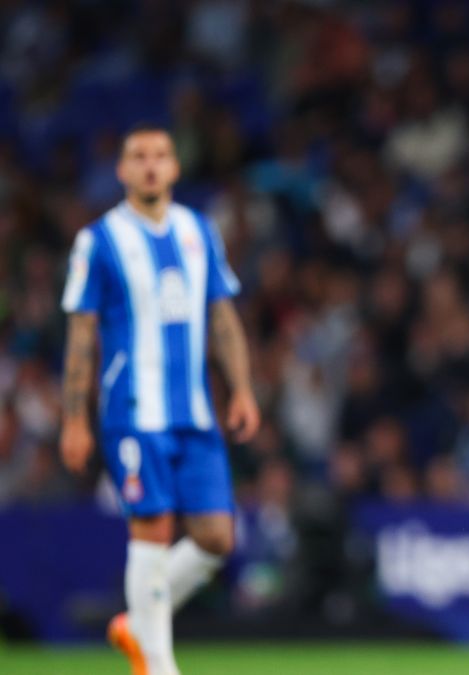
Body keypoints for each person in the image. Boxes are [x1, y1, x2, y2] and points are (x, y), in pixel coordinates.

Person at [59, 124, 260, 675]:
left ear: (174, 168)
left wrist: (240, 387)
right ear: (122, 171)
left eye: (161, 155)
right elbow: (81, 336)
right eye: (138, 157)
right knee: (152, 531)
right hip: (133, 411)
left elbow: (222, 316)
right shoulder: (98, 241)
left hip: (194, 412)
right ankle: (158, 663)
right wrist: (74, 419)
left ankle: (136, 621)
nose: (150, 165)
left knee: (217, 536)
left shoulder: (200, 232)